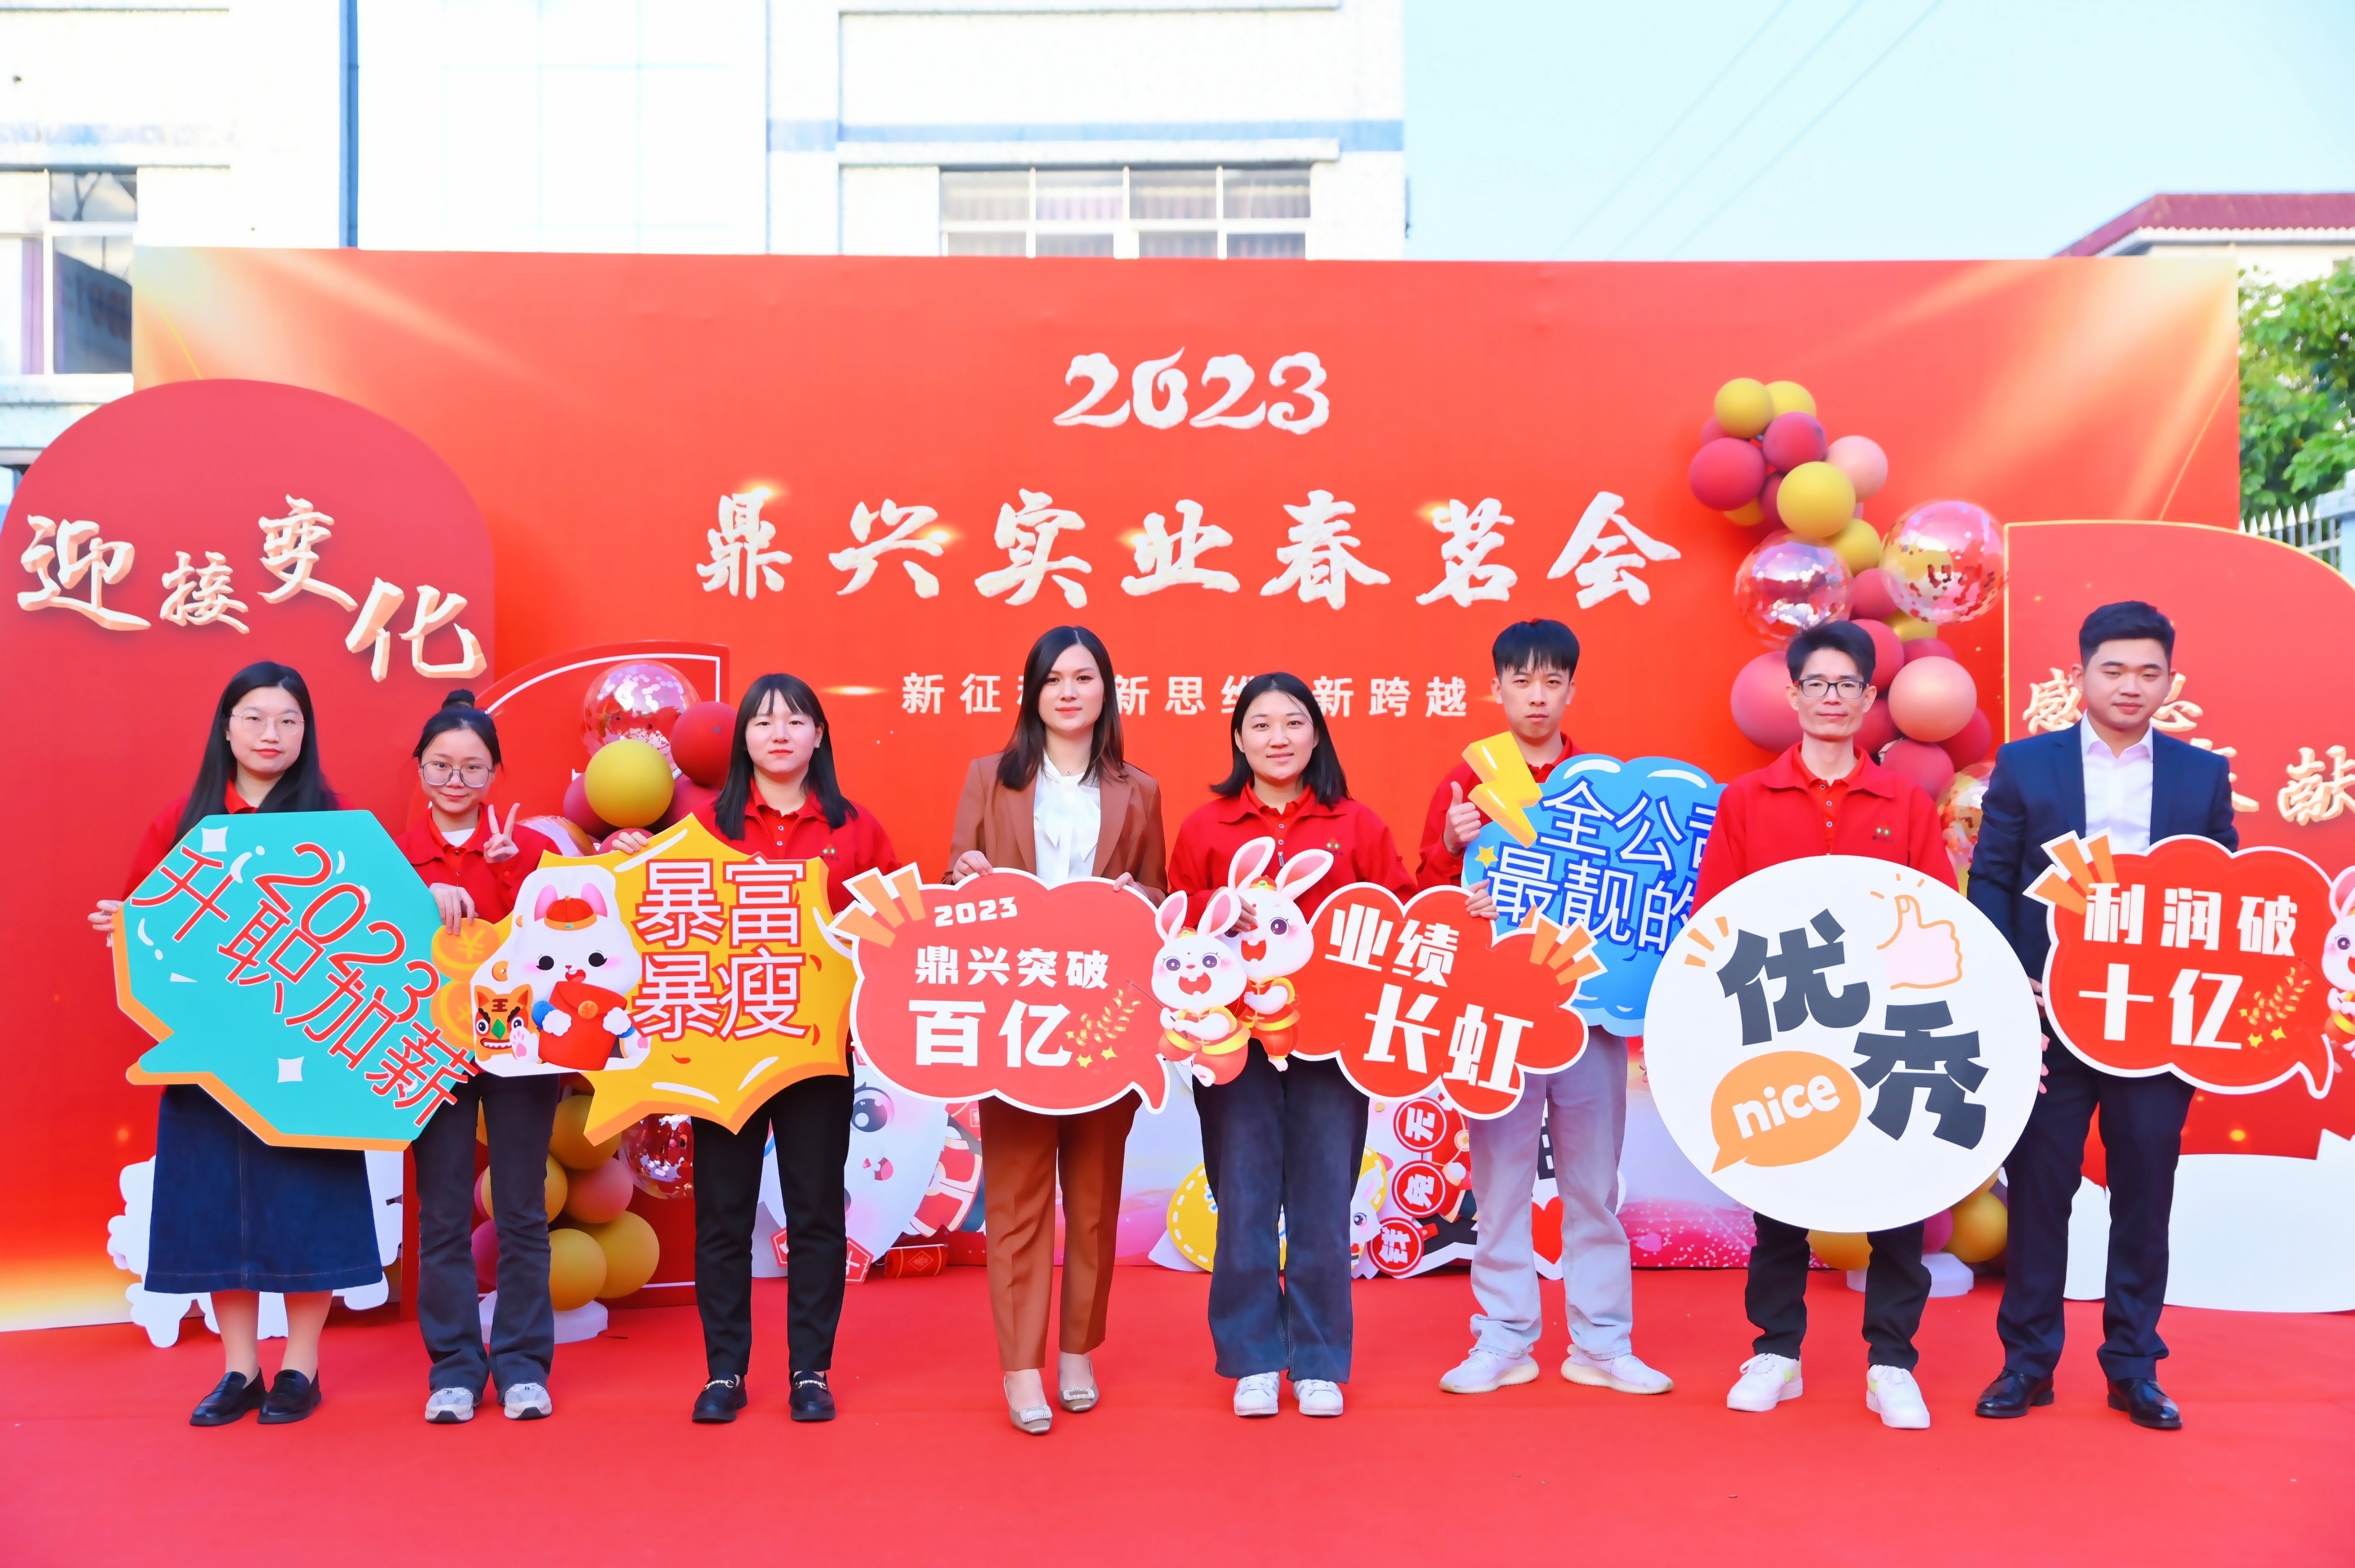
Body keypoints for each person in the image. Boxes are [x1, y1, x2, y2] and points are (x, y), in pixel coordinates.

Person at [89, 662, 382, 1427]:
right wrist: (123, 926)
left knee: (309, 1201)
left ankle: (302, 1368)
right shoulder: (184, 821)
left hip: (313, 1050)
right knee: (222, 1205)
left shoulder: (334, 822)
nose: (270, 734)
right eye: (254, 718)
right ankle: (240, 1369)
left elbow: (377, 936)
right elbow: (145, 937)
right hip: (211, 1051)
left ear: (306, 732)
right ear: (226, 728)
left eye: (288, 720)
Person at [1967, 602, 2234, 1431]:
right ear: (2080, 675)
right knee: (2040, 1191)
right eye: (2113, 669)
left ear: (2170, 682)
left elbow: (2222, 896)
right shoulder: (2027, 765)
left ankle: (2133, 1366)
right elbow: (1992, 878)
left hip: (2154, 1024)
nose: (2130, 686)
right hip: (2050, 1015)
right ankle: (2027, 1363)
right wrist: (2013, 984)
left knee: (2145, 1191)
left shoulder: (2200, 776)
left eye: (2148, 672)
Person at [1691, 622, 1956, 1431]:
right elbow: (1714, 921)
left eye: (1848, 685)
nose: (1832, 699)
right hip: (1781, 1027)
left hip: (1884, 1030)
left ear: (1870, 699)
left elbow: (1938, 920)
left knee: (1898, 1195)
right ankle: (1776, 1350)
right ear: (1793, 694)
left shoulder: (1904, 802)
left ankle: (1891, 1362)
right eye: (1818, 684)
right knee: (1777, 1192)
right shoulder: (1747, 799)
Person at [1418, 620, 1673, 1399]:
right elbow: (1423, 904)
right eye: (1521, 681)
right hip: (1497, 1017)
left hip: (1589, 1017)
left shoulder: (1604, 789)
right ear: (1494, 688)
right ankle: (1502, 1337)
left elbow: (1650, 895)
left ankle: (1602, 1341)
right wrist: (1451, 851)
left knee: (1593, 1187)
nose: (1536, 696)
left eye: (1551, 681)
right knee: (1499, 1185)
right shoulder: (1466, 785)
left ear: (1571, 690)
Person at [633, 674, 895, 1427]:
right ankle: (724, 1372)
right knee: (724, 1213)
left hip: (818, 1052)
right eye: (763, 722)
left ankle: (811, 1370)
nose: (779, 734)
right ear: (743, 738)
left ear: (819, 736)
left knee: (815, 1211)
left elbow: (888, 935)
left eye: (795, 721)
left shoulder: (855, 829)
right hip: (725, 1050)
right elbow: (661, 926)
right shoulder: (703, 828)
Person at [1168, 672, 1413, 1419]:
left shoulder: (1357, 825)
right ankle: (1251, 1359)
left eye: (1294, 723)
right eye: (1262, 725)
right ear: (1238, 739)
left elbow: (1400, 913)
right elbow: (1173, 926)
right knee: (1242, 1196)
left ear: (1317, 735)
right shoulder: (1206, 828)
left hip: (1331, 1047)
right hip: (1232, 1045)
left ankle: (1316, 1361)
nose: (1278, 738)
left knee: (1321, 1199)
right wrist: (1218, 906)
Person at [948, 626, 1167, 1435]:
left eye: (1084, 677)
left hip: (1105, 1018)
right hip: (1015, 1019)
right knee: (1015, 1198)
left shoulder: (1139, 790)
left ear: (1107, 690)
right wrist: (965, 874)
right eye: (1053, 680)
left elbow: (1160, 895)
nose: (1069, 692)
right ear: (1032, 693)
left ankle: (1078, 1350)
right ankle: (1020, 1367)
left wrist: (1135, 901)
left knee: (1096, 1195)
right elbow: (954, 880)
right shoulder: (990, 777)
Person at [397, 691, 562, 1424]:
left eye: (472, 768)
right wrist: (416, 896)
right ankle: (455, 1370)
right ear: (420, 768)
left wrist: (510, 872)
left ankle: (523, 1365)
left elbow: (560, 946)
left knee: (522, 1209)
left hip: (519, 1043)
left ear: (495, 773)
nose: (456, 781)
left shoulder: (530, 851)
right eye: (441, 766)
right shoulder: (390, 858)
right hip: (428, 1045)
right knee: (441, 1214)